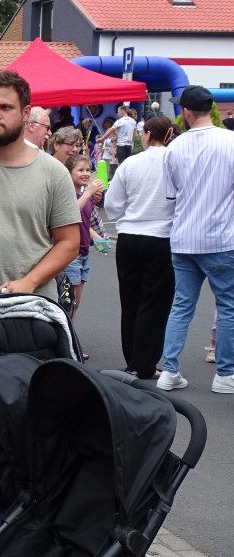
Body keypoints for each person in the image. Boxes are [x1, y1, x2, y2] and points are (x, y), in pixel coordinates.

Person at [0, 70, 80, 299]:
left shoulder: (54, 173)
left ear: (26, 113)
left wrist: (29, 281)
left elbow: (69, 243)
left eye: (5, 108)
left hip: (29, 307)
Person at [157, 86, 234, 394]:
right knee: (228, 306)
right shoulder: (230, 141)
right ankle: (225, 375)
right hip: (221, 237)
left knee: (181, 305)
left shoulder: (174, 148)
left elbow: (171, 195)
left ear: (186, 112)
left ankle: (170, 369)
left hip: (184, 237)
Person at [105, 115, 179, 379]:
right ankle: (145, 363)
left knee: (131, 300)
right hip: (162, 236)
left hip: (129, 236)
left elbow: (112, 205)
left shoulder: (130, 163)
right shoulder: (176, 161)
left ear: (147, 134)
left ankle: (133, 361)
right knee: (155, 303)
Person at [62, 154, 105, 320]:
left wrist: (99, 239)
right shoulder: (67, 195)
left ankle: (70, 334)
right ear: (69, 173)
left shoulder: (85, 197)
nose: (86, 173)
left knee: (76, 301)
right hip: (71, 255)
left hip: (83, 253)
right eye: (80, 170)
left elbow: (85, 224)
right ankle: (65, 338)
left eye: (88, 170)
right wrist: (88, 193)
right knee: (67, 300)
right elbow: (71, 213)